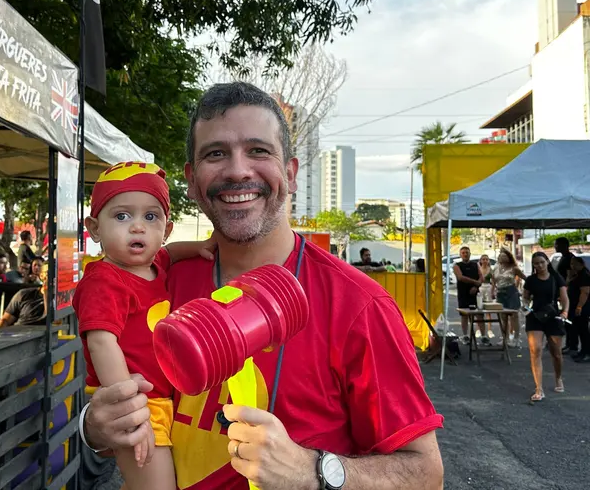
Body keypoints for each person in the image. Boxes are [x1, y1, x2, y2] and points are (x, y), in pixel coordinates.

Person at [81, 82, 444, 490]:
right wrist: (93, 427)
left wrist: (313, 471)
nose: (238, 170)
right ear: (193, 181)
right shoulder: (159, 282)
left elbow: (426, 475)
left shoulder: (359, 304)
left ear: (289, 172)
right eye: (216, 153)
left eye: (258, 150)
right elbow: (116, 409)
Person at [73, 162, 216, 490]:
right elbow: (101, 342)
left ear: (165, 230)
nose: (137, 227)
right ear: (94, 228)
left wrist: (199, 248)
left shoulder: (156, 265)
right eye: (122, 216)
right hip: (136, 404)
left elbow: (171, 253)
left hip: (162, 401)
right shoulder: (104, 280)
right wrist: (128, 408)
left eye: (150, 217)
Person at [523, 251, 569, 402]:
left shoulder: (556, 278)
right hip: (535, 316)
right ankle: (539, 388)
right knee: (535, 350)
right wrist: (526, 307)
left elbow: (564, 298)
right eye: (536, 263)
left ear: (547, 262)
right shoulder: (530, 280)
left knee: (556, 353)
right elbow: (525, 297)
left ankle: (558, 377)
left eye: (542, 262)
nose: (539, 266)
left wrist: (565, 312)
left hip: (553, 316)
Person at [0, 258, 48, 328]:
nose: (55, 276)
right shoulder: (24, 294)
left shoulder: (64, 301)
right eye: (48, 273)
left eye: (58, 273)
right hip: (19, 335)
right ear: (41, 275)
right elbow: (5, 320)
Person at [453, 247, 488, 345]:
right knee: (464, 315)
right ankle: (465, 336)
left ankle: (483, 336)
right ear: (460, 255)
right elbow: (460, 277)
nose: (465, 254)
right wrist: (475, 282)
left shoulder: (475, 264)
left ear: (470, 254)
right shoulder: (457, 265)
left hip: (475, 294)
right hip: (463, 293)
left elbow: (481, 277)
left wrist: (476, 286)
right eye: (463, 253)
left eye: (467, 253)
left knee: (479, 314)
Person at [491, 247, 525, 348]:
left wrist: (525, 291)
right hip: (500, 293)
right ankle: (504, 338)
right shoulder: (496, 267)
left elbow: (525, 278)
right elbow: (493, 280)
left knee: (514, 315)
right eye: (500, 256)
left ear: (509, 258)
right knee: (503, 317)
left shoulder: (514, 268)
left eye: (504, 256)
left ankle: (516, 338)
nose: (502, 257)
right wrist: (492, 291)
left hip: (511, 292)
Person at [566, 256, 590, 361]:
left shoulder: (584, 275)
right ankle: (583, 351)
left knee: (583, 330)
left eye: (574, 264)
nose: (572, 266)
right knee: (579, 329)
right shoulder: (577, 275)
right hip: (575, 305)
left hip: (582, 307)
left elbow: (585, 292)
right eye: (571, 264)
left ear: (581, 264)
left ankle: (587, 353)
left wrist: (579, 306)